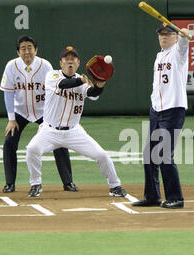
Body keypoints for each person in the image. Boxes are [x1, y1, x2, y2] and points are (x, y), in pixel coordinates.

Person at [25, 46, 126, 198]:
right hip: (50, 131)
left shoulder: (82, 81)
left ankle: (115, 186)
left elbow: (93, 94)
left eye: (73, 58)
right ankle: (35, 184)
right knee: (32, 149)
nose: (70, 61)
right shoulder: (52, 76)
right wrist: (81, 80)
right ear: (61, 62)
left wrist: (100, 83)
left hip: (74, 132)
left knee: (101, 155)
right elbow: (63, 84)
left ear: (78, 63)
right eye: (67, 58)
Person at [0, 35, 78, 193]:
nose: (27, 51)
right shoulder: (11, 66)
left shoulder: (45, 66)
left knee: (58, 141)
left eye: (30, 48)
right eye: (23, 48)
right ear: (18, 51)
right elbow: (8, 93)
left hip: (45, 111)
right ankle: (10, 183)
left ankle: (68, 182)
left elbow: (56, 90)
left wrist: (51, 119)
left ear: (36, 50)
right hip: (20, 111)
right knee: (9, 142)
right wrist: (11, 119)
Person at [132, 24, 192, 209]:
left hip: (173, 109)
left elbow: (184, 43)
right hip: (157, 110)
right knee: (149, 154)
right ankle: (152, 196)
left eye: (168, 34)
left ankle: (176, 197)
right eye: (161, 34)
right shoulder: (159, 56)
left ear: (175, 37)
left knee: (165, 153)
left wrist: (185, 35)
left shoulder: (178, 53)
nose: (163, 37)